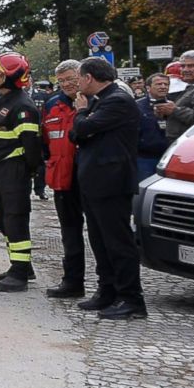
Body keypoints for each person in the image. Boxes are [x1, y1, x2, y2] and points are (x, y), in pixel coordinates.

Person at [73, 58, 148, 320]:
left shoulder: (117, 100)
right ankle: (107, 291)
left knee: (118, 242)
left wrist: (82, 113)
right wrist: (85, 120)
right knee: (99, 240)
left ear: (90, 77)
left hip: (112, 181)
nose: (78, 83)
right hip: (95, 180)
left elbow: (83, 127)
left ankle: (131, 298)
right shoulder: (99, 101)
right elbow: (77, 135)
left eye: (80, 77)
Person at [0, 52, 43, 292]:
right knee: (4, 218)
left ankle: (19, 273)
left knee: (15, 218)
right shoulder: (4, 99)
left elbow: (31, 146)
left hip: (13, 167)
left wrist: (29, 172)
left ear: (11, 78)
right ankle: (21, 263)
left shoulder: (22, 106)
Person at [40, 61, 89, 299]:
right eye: (62, 81)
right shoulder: (52, 104)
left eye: (71, 78)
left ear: (83, 76)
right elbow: (46, 140)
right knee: (69, 232)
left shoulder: (95, 100)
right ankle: (72, 281)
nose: (68, 84)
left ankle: (108, 285)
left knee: (102, 233)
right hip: (63, 176)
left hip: (91, 175)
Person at [136, 73, 173, 183]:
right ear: (148, 87)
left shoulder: (175, 104)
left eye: (166, 84)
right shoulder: (137, 106)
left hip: (169, 157)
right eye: (158, 84)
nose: (163, 86)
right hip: (145, 158)